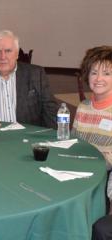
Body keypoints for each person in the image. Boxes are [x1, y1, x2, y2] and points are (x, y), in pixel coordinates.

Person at [70, 46, 112, 240]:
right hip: (78, 173)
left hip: (101, 178)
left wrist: (92, 165)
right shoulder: (84, 107)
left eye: (106, 73)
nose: (98, 78)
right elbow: (74, 141)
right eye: (94, 72)